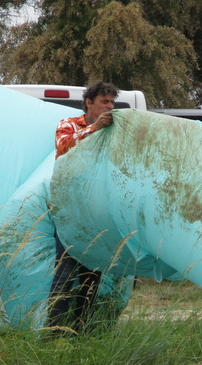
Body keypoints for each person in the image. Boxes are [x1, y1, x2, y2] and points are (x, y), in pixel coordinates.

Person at [47, 81, 119, 333]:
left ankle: (81, 331)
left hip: (96, 211)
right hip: (69, 209)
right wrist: (94, 129)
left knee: (92, 275)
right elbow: (64, 147)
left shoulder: (112, 131)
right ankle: (54, 333)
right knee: (64, 273)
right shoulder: (69, 124)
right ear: (89, 102)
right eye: (104, 102)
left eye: (112, 102)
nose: (109, 107)